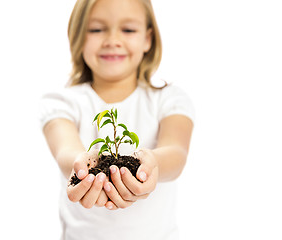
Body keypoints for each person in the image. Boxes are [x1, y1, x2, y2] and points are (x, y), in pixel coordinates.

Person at [39, 0, 195, 239]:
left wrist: (152, 164)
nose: (112, 40)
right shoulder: (62, 102)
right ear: (78, 35)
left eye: (128, 30)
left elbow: (176, 151)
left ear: (148, 38)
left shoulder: (168, 99)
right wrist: (83, 168)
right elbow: (66, 152)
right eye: (96, 29)